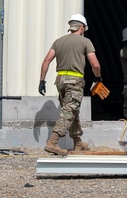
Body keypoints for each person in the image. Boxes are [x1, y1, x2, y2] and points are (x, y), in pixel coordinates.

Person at [38, 13, 104, 155]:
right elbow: (95, 64)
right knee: (68, 112)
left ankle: (77, 143)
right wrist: (97, 78)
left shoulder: (58, 42)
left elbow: (46, 61)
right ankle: (52, 142)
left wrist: (42, 81)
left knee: (72, 111)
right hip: (74, 82)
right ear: (81, 27)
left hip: (60, 80)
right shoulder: (85, 42)